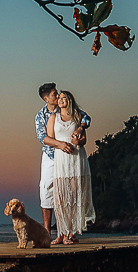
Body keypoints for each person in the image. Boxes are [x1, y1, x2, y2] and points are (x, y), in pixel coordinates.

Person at [35, 82, 90, 238]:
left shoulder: (66, 108)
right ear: (46, 99)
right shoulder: (41, 116)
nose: (58, 96)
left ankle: (68, 232)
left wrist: (80, 127)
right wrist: (59, 144)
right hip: (51, 155)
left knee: (69, 191)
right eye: (54, 94)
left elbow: (86, 117)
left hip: (68, 157)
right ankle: (47, 232)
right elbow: (42, 137)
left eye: (57, 93)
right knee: (46, 189)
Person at [46, 90, 96, 244]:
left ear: (70, 100)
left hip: (76, 159)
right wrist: (61, 145)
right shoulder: (53, 117)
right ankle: (60, 233)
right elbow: (49, 139)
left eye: (64, 97)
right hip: (61, 159)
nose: (61, 99)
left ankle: (70, 233)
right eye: (59, 97)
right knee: (61, 197)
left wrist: (77, 141)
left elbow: (84, 140)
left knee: (74, 196)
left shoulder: (78, 117)